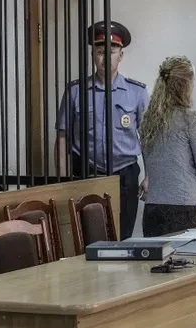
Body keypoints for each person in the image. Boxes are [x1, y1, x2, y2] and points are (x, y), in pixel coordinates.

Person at [56, 21, 148, 240]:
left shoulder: (137, 92)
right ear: (92, 55)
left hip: (124, 175)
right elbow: (62, 137)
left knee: (122, 238)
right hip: (86, 173)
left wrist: (149, 176)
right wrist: (62, 179)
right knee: (89, 240)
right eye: (99, 52)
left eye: (112, 51)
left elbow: (148, 137)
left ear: (121, 55)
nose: (106, 57)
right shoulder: (76, 91)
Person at [139, 56, 196, 237]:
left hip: (153, 209)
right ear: (187, 85)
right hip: (186, 208)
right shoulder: (190, 119)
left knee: (158, 256)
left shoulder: (147, 120)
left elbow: (149, 165)